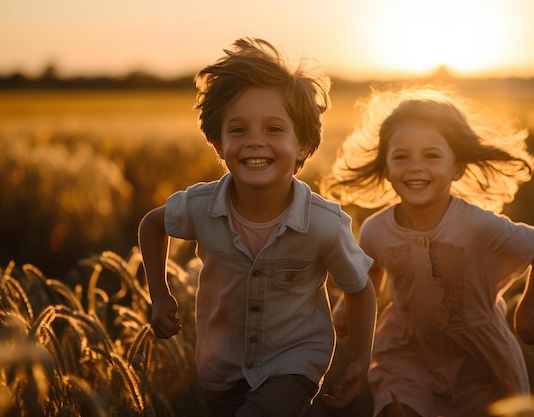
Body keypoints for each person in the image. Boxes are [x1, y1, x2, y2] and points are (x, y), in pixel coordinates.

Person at [138, 37, 376, 417]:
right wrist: (160, 294)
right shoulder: (200, 207)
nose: (255, 143)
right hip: (219, 365)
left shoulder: (323, 224)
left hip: (296, 362)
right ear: (217, 143)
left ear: (303, 145)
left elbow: (360, 289)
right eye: (239, 130)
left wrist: (361, 362)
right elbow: (152, 225)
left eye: (273, 129)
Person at [320, 87, 534, 417]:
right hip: (408, 351)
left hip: (479, 358)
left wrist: (528, 309)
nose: (415, 166)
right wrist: (347, 309)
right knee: (398, 410)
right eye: (401, 156)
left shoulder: (477, 224)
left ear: (457, 167)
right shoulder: (376, 230)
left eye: (431, 155)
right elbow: (370, 276)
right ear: (386, 168)